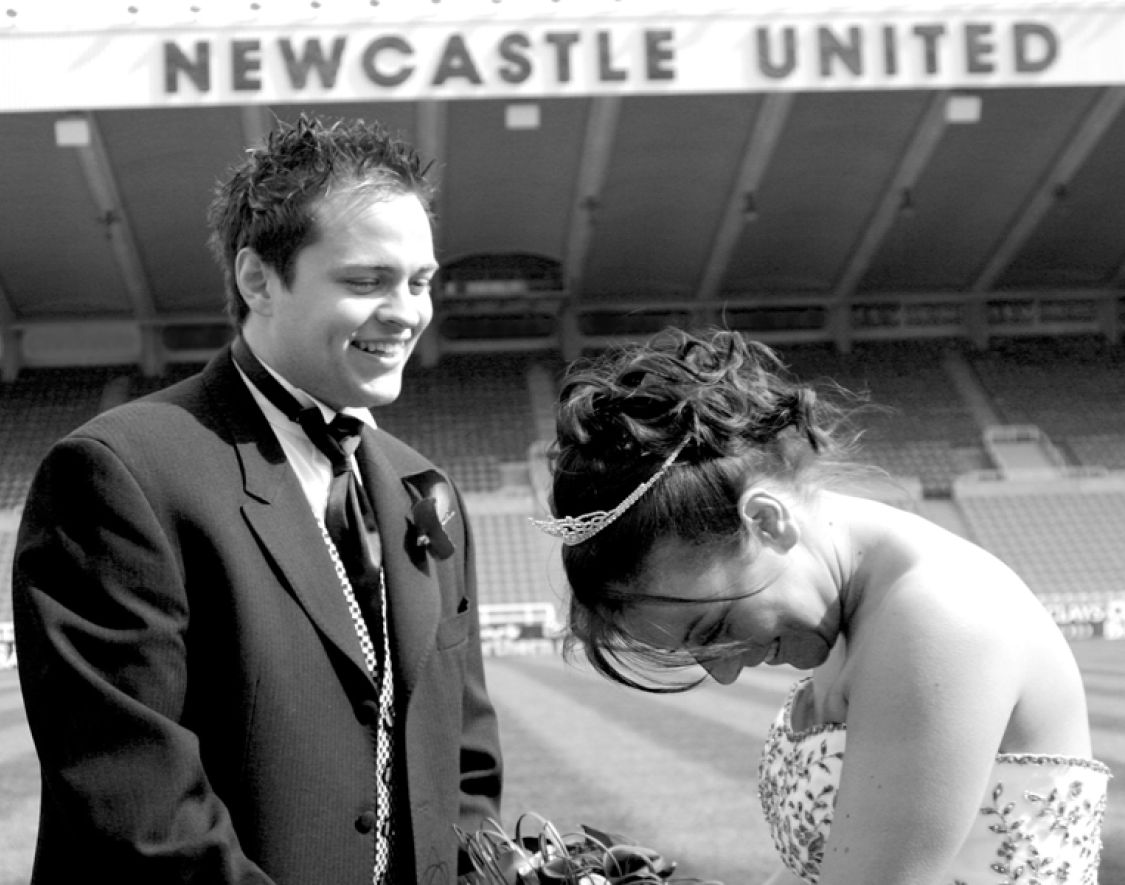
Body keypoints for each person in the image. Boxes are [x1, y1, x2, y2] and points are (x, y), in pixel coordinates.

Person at [13, 113, 502, 884]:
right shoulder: (118, 474)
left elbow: (465, 766)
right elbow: (140, 814)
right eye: (366, 280)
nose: (407, 311)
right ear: (256, 280)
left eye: (419, 281)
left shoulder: (424, 486)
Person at [531, 326, 1110, 885]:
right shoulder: (854, 612)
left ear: (765, 521)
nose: (726, 671)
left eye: (717, 628)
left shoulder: (941, 621)